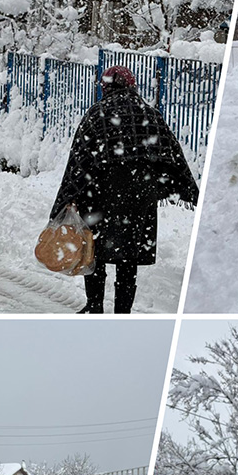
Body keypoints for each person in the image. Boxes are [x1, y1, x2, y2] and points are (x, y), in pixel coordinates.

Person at [51, 65, 199, 314]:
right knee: (128, 256)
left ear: (106, 87)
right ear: (132, 85)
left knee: (93, 250)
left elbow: (79, 160)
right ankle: (123, 311)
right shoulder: (149, 113)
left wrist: (67, 199)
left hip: (99, 193)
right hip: (139, 195)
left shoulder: (97, 113)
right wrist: (180, 186)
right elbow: (172, 153)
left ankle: (95, 305)